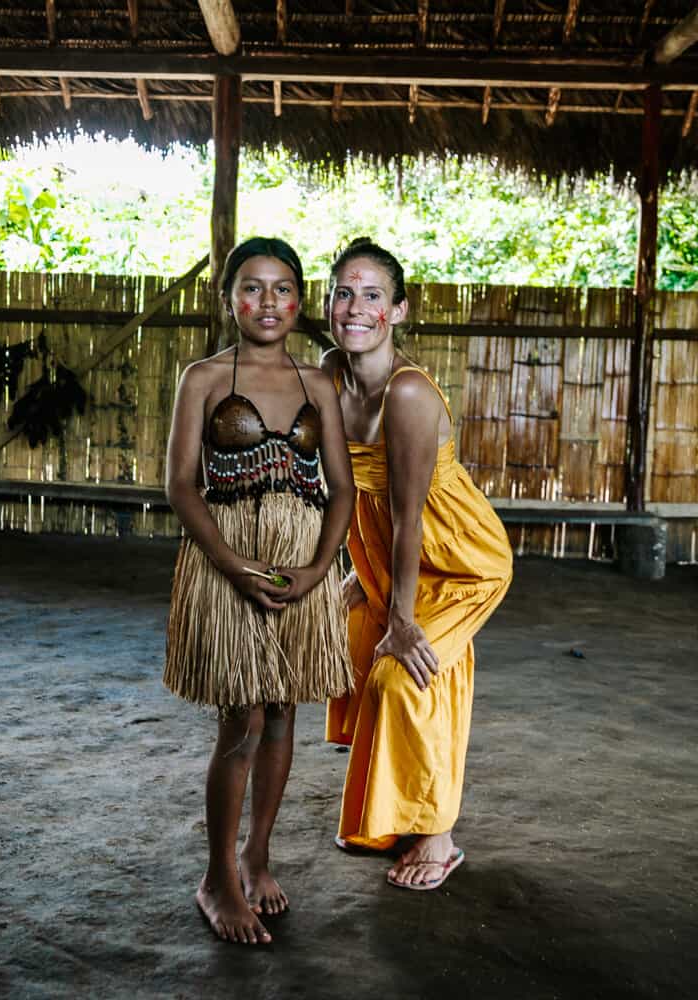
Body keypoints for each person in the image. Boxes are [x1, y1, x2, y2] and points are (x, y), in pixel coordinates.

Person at [164, 236, 354, 943]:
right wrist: (233, 564)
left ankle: (257, 855)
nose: (267, 302)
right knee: (240, 719)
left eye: (281, 289)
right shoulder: (204, 378)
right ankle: (217, 878)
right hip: (226, 559)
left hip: (301, 562)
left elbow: (342, 489)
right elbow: (181, 486)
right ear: (228, 299)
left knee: (281, 711)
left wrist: (317, 570)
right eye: (251, 287)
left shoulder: (318, 384)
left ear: (300, 301)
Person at [323, 238, 513, 891]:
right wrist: (353, 571)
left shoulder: (406, 395)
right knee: (349, 631)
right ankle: (398, 811)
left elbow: (410, 519)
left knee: (405, 673)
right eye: (344, 292)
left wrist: (401, 621)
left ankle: (439, 834)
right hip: (390, 547)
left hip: (457, 556)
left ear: (398, 311)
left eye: (372, 295)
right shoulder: (329, 372)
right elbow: (352, 494)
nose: (355, 307)